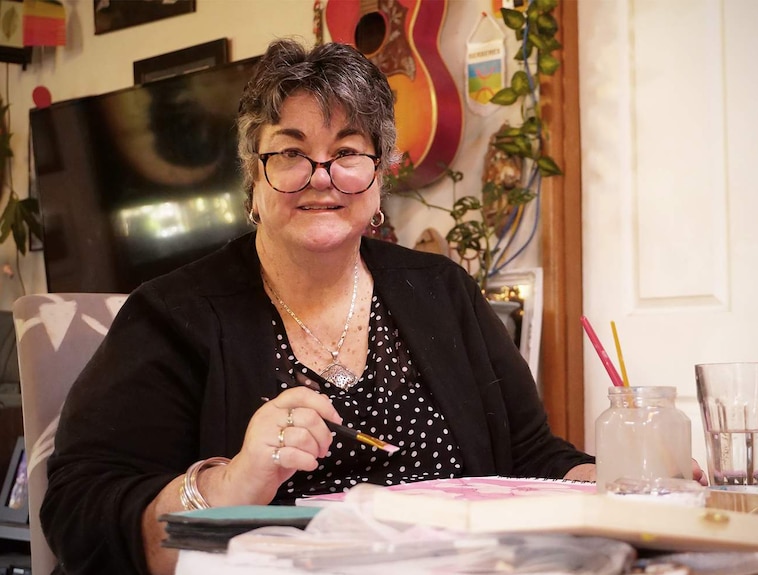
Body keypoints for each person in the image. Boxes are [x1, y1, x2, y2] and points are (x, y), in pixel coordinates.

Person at [43, 38, 607, 574]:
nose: (321, 177)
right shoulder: (171, 317)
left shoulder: (445, 292)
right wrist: (233, 482)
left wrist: (628, 485)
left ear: (379, 173)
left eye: (347, 152)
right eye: (291, 152)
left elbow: (533, 459)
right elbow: (79, 512)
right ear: (253, 175)